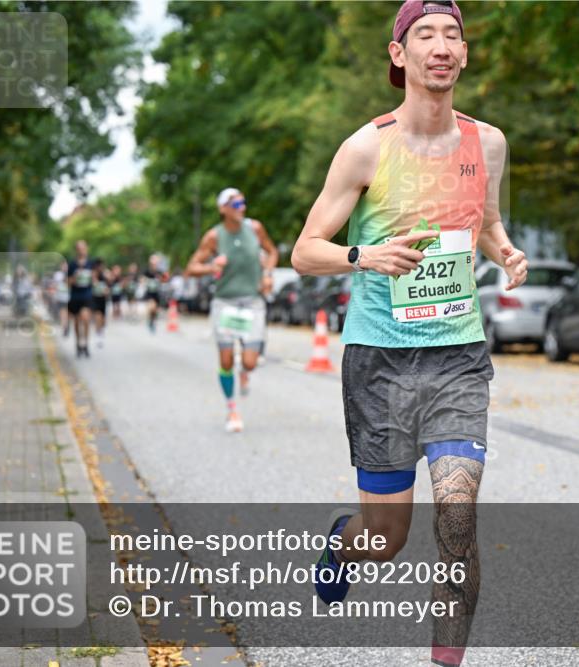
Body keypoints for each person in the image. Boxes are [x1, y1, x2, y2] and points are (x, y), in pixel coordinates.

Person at [290, 2, 527, 665]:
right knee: (385, 538)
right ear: (400, 55)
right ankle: (344, 543)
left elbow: (486, 220)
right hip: (381, 361)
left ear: (465, 53)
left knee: (457, 516)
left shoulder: (489, 143)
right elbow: (305, 251)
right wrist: (364, 255)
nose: (441, 45)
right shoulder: (367, 147)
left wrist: (505, 251)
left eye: (453, 34)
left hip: (457, 356)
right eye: (426, 34)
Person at [186, 187, 278, 433]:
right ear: (223, 209)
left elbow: (272, 252)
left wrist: (268, 274)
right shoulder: (214, 237)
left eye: (243, 203)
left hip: (253, 302)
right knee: (226, 361)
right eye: (236, 204)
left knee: (250, 361)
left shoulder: (255, 228)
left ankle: (245, 372)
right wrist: (212, 266)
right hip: (225, 303)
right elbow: (191, 267)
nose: (242, 208)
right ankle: (232, 409)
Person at [66, 240, 95, 358]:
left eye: (83, 248)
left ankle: (86, 344)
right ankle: (78, 344)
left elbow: (95, 280)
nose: (81, 250)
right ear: (76, 250)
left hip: (87, 295)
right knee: (77, 322)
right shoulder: (72, 264)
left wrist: (93, 277)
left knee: (86, 319)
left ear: (86, 248)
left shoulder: (91, 263)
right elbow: (68, 282)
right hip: (75, 296)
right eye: (79, 248)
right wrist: (75, 277)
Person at [143, 255, 164, 333]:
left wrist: (160, 280)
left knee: (155, 310)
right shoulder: (147, 271)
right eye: (153, 263)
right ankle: (149, 320)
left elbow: (164, 279)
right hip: (149, 292)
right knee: (151, 307)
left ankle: (152, 321)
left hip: (156, 293)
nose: (154, 264)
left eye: (156, 263)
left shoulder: (159, 272)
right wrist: (146, 281)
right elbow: (142, 279)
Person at [91, 258, 109, 348]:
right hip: (95, 299)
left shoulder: (104, 275)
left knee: (103, 320)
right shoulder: (92, 274)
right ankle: (98, 336)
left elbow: (108, 285)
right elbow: (93, 284)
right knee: (98, 317)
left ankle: (101, 332)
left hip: (103, 300)